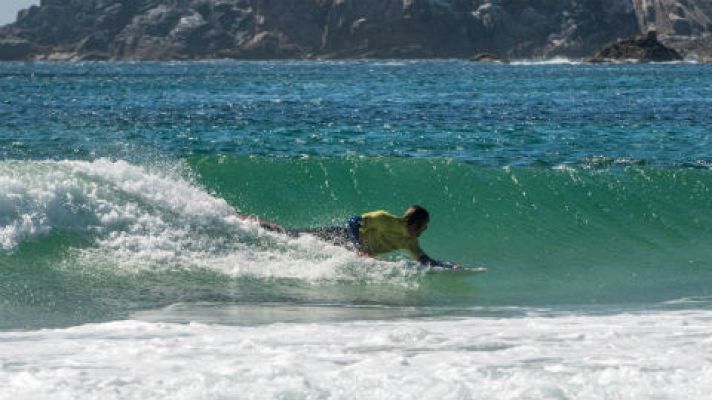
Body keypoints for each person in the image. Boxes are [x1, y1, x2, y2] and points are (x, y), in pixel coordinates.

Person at [286, 205, 460, 269]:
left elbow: (424, 260)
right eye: (424, 226)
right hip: (341, 236)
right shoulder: (384, 218)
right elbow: (352, 223)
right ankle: (263, 225)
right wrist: (358, 248)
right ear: (415, 225)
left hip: (351, 248)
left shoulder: (409, 241)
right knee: (291, 235)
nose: (425, 229)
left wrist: (447, 265)